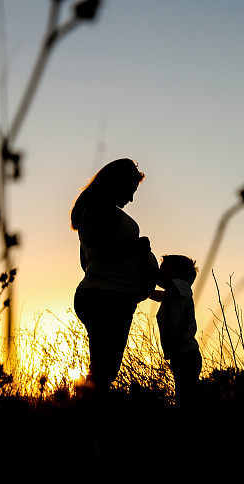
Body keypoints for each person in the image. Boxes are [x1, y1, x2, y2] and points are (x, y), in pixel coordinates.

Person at [71, 158, 159, 398]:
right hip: (108, 299)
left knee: (102, 370)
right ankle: (87, 421)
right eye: (131, 190)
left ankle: (86, 414)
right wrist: (138, 249)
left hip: (104, 295)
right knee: (103, 372)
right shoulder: (100, 212)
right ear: (117, 184)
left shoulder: (92, 212)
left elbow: (87, 261)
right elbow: (106, 251)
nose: (131, 199)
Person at [149, 254, 202, 407]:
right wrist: (144, 291)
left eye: (163, 269)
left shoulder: (183, 286)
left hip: (187, 354)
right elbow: (160, 294)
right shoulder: (173, 293)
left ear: (178, 273)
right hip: (181, 355)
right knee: (183, 397)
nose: (159, 272)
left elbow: (166, 284)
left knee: (185, 398)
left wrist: (150, 275)